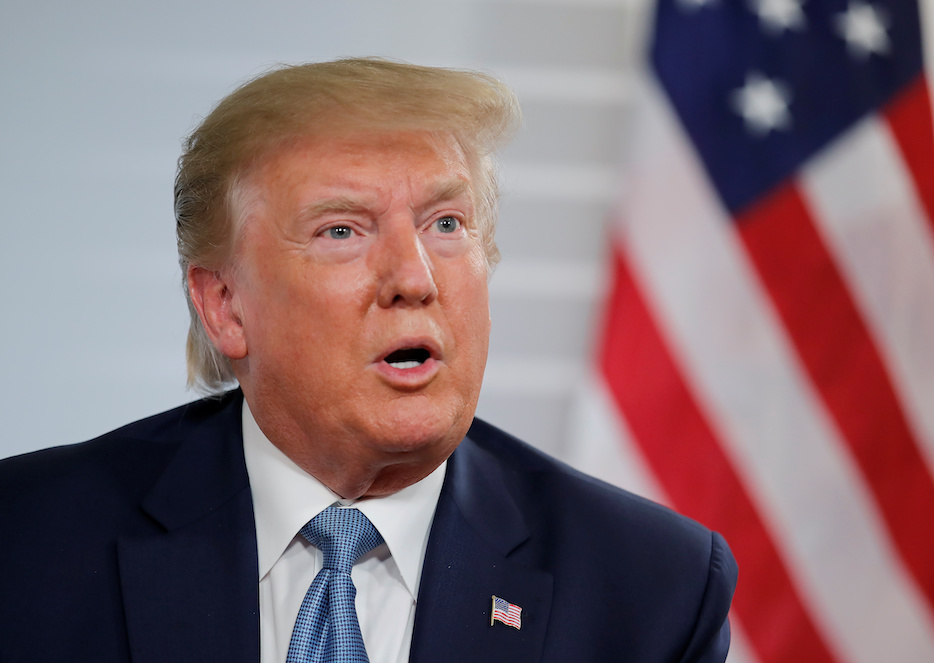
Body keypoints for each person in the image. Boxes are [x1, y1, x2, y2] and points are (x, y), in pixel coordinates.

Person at [0, 58, 736, 663]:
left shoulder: (650, 590)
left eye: (446, 223)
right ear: (224, 304)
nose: (416, 278)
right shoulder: (28, 543)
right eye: (342, 230)